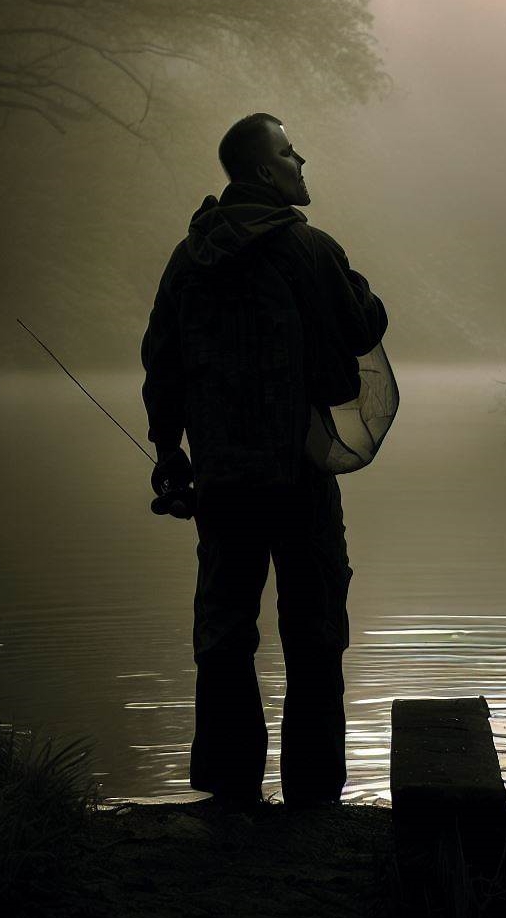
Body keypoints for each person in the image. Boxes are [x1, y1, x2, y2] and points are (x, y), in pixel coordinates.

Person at [140, 113, 389, 810]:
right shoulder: (308, 250)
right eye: (288, 151)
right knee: (313, 634)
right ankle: (312, 797)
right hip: (301, 475)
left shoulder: (187, 259)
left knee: (223, 632)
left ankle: (230, 790)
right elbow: (362, 329)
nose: (300, 158)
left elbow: (161, 361)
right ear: (261, 171)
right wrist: (356, 281)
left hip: (221, 478)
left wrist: (169, 451)